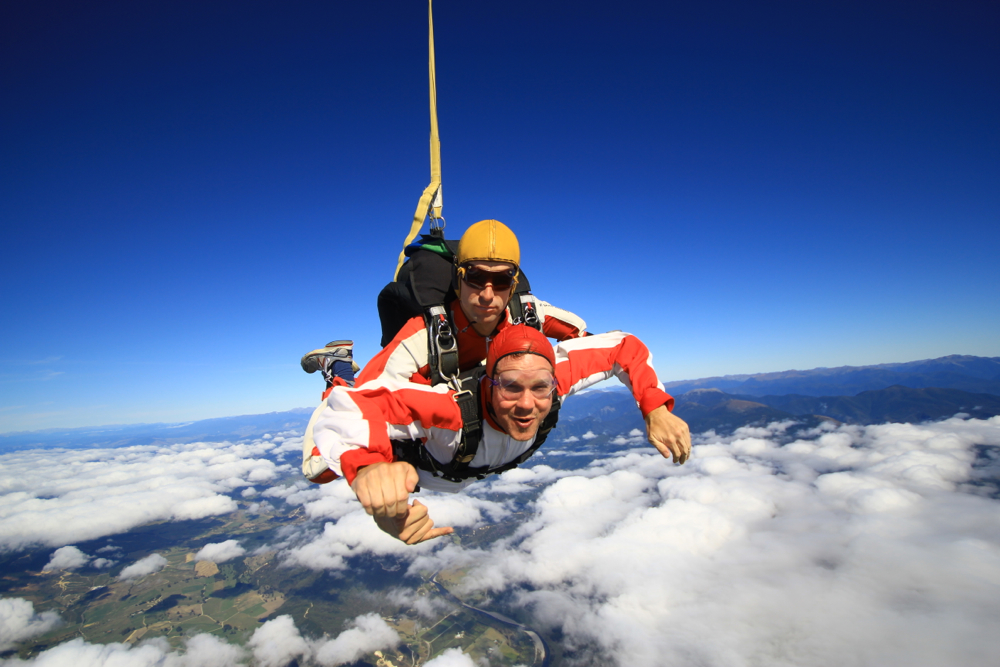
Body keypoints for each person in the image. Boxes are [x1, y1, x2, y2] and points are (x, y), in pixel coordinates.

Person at [306, 324, 692, 545]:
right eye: (510, 387)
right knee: (320, 468)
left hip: (461, 469)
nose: (527, 405)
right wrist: (368, 468)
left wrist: (654, 406)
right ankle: (336, 366)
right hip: (417, 461)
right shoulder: (450, 409)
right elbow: (351, 407)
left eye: (541, 388)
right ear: (488, 383)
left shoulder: (555, 379)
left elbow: (624, 346)